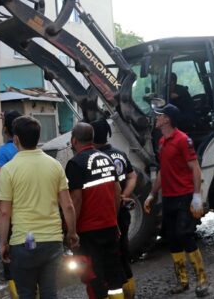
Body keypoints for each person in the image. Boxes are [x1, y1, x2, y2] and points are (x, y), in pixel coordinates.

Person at [0, 116, 79, 299]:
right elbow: (68, 206)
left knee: (26, 294)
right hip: (52, 241)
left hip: (23, 242)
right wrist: (71, 233)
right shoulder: (55, 165)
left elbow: (3, 212)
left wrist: (3, 243)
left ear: (16, 139)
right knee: (50, 292)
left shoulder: (8, 170)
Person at [143, 104, 209, 297]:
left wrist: (196, 196)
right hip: (170, 198)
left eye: (160, 116)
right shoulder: (163, 142)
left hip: (184, 196)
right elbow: (163, 171)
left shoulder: (183, 140)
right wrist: (152, 194)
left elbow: (195, 168)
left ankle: (202, 280)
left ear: (167, 120)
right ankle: (183, 282)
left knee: (185, 234)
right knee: (172, 239)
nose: (156, 118)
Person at [66, 122, 126, 299]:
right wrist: (114, 221)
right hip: (110, 226)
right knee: (114, 277)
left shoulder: (75, 163)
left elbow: (75, 200)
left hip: (89, 232)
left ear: (74, 140)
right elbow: (117, 192)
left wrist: (72, 231)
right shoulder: (106, 158)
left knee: (94, 278)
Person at [90, 119, 138, 299]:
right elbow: (133, 176)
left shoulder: (94, 159)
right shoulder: (119, 154)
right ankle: (130, 292)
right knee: (123, 251)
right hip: (122, 212)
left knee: (107, 258)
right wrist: (124, 195)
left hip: (104, 215)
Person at [0, 110, 22, 298]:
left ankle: (16, 293)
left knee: (10, 254)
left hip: (11, 209)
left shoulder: (4, 152)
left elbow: (1, 186)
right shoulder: (32, 149)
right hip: (30, 208)